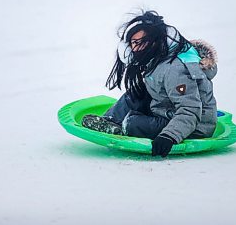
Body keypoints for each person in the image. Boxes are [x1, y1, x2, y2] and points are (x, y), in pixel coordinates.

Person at [82, 10, 218, 157]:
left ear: (156, 40)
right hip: (168, 110)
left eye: (141, 42)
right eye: (133, 43)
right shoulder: (159, 57)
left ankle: (123, 127)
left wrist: (169, 136)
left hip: (194, 127)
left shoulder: (175, 69)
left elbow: (190, 109)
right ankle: (109, 122)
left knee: (134, 123)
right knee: (136, 94)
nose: (136, 48)